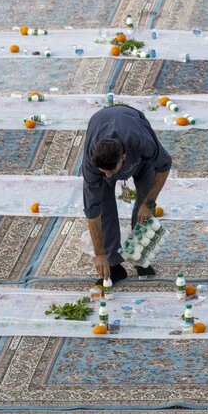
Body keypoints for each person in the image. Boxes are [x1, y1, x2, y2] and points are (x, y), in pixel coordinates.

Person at [81, 104, 172, 284]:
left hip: (139, 156)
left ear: (123, 157)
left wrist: (149, 203)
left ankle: (140, 258)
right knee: (104, 206)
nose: (108, 176)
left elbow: (164, 166)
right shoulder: (92, 164)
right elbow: (93, 210)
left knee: (145, 208)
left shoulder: (142, 142)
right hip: (100, 123)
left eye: (111, 171)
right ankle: (114, 266)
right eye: (104, 172)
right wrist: (100, 254)